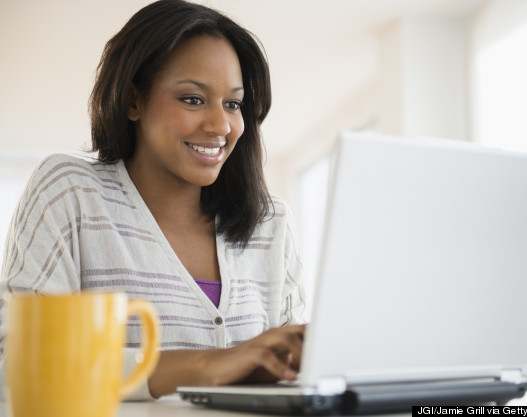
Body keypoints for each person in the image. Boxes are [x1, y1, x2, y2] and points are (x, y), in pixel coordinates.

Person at [0, 0, 306, 400]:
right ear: (133, 101)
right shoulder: (71, 191)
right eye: (193, 99)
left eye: (233, 104)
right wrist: (205, 366)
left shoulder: (272, 223)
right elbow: (18, 368)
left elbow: (292, 372)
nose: (221, 125)